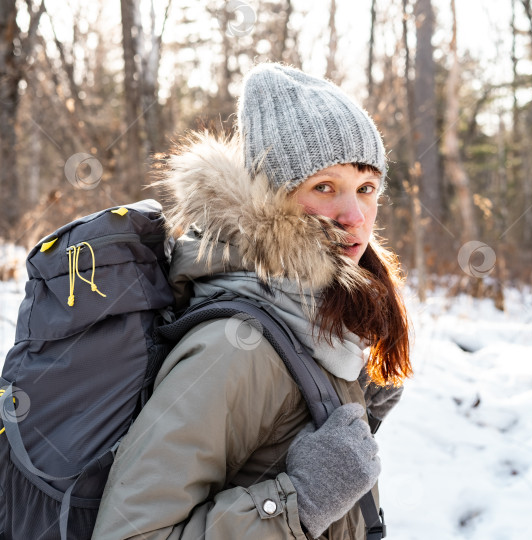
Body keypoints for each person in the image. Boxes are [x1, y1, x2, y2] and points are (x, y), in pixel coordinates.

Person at [92, 62, 412, 539]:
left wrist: (350, 403)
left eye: (366, 188)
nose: (355, 216)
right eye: (325, 186)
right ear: (270, 201)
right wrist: (298, 506)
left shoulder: (314, 322)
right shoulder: (233, 349)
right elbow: (132, 533)